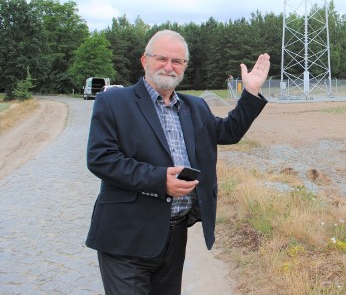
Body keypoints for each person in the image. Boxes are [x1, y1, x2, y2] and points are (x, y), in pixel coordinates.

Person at [85, 29, 270, 294]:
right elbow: (101, 159)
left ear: (184, 66)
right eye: (162, 58)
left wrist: (250, 92)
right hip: (125, 237)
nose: (169, 67)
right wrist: (160, 180)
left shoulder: (194, 107)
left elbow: (228, 132)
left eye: (177, 61)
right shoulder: (113, 102)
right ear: (144, 60)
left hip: (173, 236)